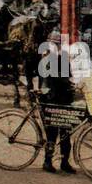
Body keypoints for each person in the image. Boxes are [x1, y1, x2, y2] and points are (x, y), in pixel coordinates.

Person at [39, 30, 76, 174]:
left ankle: (64, 162)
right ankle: (48, 162)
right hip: (52, 100)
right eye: (55, 44)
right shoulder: (49, 59)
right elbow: (56, 78)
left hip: (61, 100)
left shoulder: (57, 58)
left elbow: (68, 77)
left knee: (64, 134)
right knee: (53, 133)